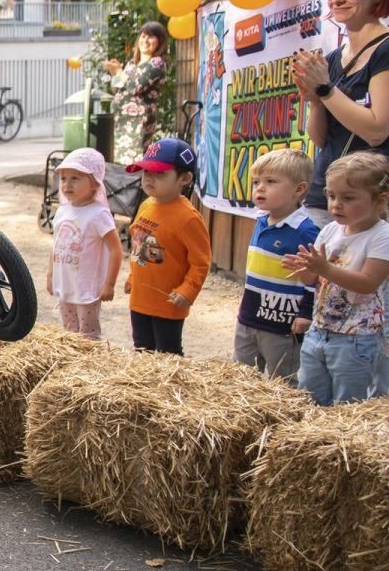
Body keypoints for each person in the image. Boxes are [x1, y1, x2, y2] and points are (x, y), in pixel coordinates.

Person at [283, 152, 389, 404]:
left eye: (348, 198)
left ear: (380, 200)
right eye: (331, 195)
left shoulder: (381, 236)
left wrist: (324, 269)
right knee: (310, 399)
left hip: (356, 338)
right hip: (319, 330)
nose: (336, 204)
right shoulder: (330, 230)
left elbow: (368, 283)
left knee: (347, 407)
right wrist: (306, 270)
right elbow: (317, 280)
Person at [292, 0, 389, 229]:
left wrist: (325, 89)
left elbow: (377, 130)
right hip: (326, 193)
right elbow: (320, 138)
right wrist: (315, 101)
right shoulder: (333, 58)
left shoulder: (384, 50)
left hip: (369, 201)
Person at [232, 149, 319, 385]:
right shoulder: (260, 221)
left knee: (283, 383)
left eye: (270, 182)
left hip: (283, 327)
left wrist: (306, 313)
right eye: (257, 182)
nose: (260, 188)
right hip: (248, 319)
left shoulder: (306, 231)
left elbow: (317, 277)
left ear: (299, 189)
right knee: (239, 380)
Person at [123, 138, 211, 355]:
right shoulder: (146, 205)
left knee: (167, 355)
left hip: (168, 301)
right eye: (146, 172)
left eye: (160, 173)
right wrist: (132, 277)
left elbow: (201, 262)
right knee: (142, 350)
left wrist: (188, 290)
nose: (149, 178)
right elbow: (139, 246)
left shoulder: (188, 217)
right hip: (140, 298)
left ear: (185, 178)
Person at [45, 148, 123, 340]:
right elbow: (56, 245)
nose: (67, 184)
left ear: (95, 184)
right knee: (69, 332)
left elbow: (116, 249)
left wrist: (109, 284)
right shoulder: (63, 211)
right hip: (66, 286)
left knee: (88, 337)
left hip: (87, 289)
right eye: (63, 178)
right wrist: (50, 274)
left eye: (75, 178)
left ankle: (90, 367)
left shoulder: (99, 214)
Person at [104, 22, 169, 163]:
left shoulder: (157, 63)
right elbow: (116, 89)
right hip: (121, 121)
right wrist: (114, 72)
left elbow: (135, 87)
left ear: (160, 41)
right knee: (118, 160)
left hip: (139, 122)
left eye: (150, 37)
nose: (145, 41)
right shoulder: (132, 64)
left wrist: (120, 72)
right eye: (143, 36)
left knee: (135, 160)